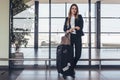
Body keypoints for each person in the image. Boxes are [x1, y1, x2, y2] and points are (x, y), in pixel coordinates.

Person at [63, 4, 84, 71]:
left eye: (75, 8)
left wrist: (75, 28)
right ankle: (70, 69)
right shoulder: (67, 18)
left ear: (77, 10)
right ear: (70, 9)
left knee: (78, 55)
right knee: (70, 54)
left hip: (77, 37)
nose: (74, 10)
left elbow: (81, 26)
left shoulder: (79, 17)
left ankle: (71, 67)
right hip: (70, 37)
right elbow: (64, 29)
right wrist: (69, 30)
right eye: (73, 8)